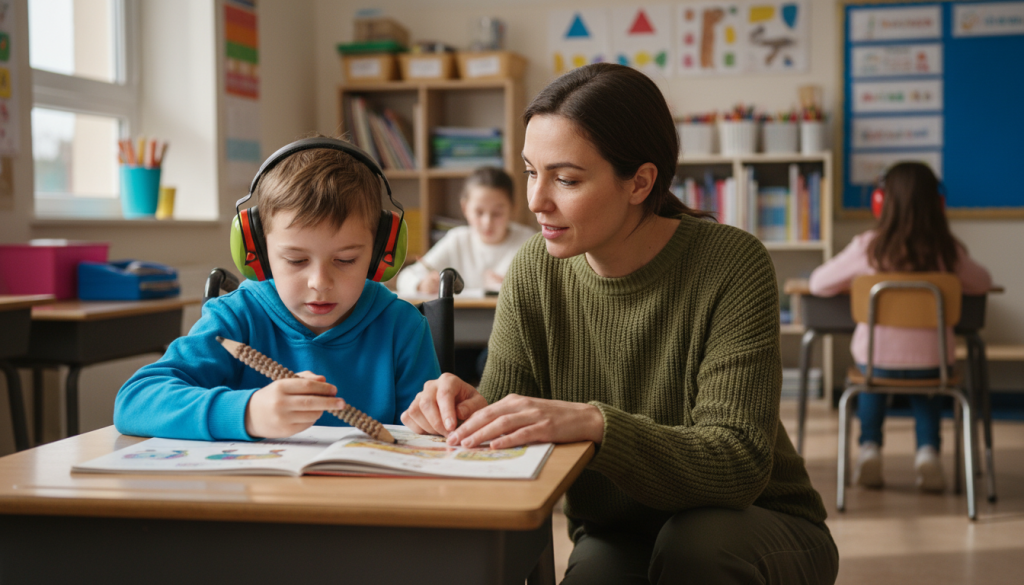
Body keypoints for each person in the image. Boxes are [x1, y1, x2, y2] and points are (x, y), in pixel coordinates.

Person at [401, 63, 838, 585]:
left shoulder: (731, 264)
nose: (536, 201)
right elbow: (507, 421)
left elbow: (736, 463)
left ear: (640, 182)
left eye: (565, 179)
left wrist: (595, 423)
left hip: (755, 522)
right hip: (619, 532)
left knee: (696, 548)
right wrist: (465, 411)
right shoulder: (532, 272)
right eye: (530, 171)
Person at [114, 139, 441, 441]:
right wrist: (248, 413)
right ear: (258, 252)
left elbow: (425, 435)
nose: (319, 281)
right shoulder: (235, 318)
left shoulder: (403, 327)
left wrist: (440, 417)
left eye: (345, 259)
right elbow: (135, 401)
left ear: (380, 252)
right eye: (296, 260)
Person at [809, 162, 992, 492]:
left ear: (882, 202)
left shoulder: (868, 247)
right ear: (938, 204)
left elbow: (819, 282)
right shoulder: (947, 251)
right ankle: (928, 452)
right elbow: (983, 283)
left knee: (870, 382)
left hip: (875, 365)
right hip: (932, 365)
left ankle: (869, 448)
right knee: (929, 389)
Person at [396, 166, 535, 295]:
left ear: (513, 209)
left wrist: (515, 287)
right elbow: (406, 277)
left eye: (497, 213)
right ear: (465, 208)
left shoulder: (530, 243)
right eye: (479, 212)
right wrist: (422, 284)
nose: (487, 222)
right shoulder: (457, 239)